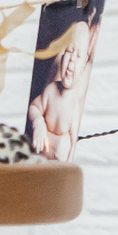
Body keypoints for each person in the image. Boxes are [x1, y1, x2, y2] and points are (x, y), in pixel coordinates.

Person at [27, 12, 99, 159]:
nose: (72, 59)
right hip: (40, 157)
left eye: (78, 56)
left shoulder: (75, 101)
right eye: (69, 51)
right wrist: (39, 124)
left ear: (84, 63)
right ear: (62, 55)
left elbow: (74, 142)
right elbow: (34, 107)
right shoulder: (50, 90)